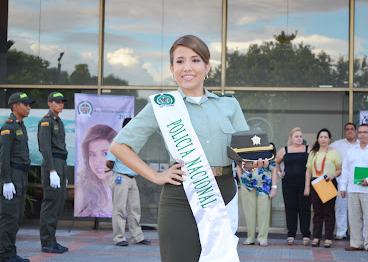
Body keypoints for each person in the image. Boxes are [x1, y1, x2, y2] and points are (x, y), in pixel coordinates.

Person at [109, 35, 267, 262]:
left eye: (195, 60)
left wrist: (252, 163)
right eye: (180, 61)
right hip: (180, 197)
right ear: (172, 69)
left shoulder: (228, 104)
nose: (187, 68)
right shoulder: (163, 106)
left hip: (223, 193)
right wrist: (155, 175)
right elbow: (119, 146)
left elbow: (242, 153)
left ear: (207, 66)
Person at [0, 92, 35, 262]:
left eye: (29, 105)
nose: (29, 108)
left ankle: (11, 252)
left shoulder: (21, 126)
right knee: (9, 217)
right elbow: (3, 156)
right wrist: (6, 181)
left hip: (21, 176)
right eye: (25, 105)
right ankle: (5, 255)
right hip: (12, 176)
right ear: (15, 107)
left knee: (17, 217)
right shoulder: (9, 127)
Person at [106, 118, 151, 247]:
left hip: (132, 179)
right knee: (119, 209)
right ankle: (119, 238)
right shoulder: (118, 142)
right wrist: (121, 167)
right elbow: (109, 162)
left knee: (135, 209)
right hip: (120, 178)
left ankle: (137, 237)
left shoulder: (133, 144)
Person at [38, 92, 69, 254]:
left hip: (61, 165)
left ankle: (52, 240)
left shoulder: (59, 122)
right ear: (49, 103)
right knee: (50, 204)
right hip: (53, 165)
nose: (60, 104)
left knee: (58, 205)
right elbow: (45, 148)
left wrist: (63, 172)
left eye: (62, 102)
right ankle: (46, 242)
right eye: (57, 102)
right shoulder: (46, 122)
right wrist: (52, 170)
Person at [340, 124, 368, 252]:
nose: (362, 135)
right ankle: (356, 243)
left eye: (365, 132)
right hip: (353, 189)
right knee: (354, 218)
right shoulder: (352, 150)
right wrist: (343, 187)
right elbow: (345, 170)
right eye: (360, 132)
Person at [304, 128, 342, 248]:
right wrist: (307, 186)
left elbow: (340, 169)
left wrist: (333, 175)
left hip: (328, 182)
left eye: (326, 137)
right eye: (321, 137)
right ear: (318, 139)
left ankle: (329, 238)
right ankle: (316, 237)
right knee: (317, 212)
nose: (323, 139)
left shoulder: (334, 152)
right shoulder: (313, 153)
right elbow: (309, 170)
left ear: (329, 139)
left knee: (329, 212)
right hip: (316, 183)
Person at [275, 127, 312, 246]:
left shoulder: (308, 149)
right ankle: (291, 234)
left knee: (305, 209)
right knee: (290, 208)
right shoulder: (284, 150)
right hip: (288, 184)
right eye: (296, 136)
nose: (299, 138)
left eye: (300, 136)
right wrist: (279, 172)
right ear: (291, 138)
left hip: (305, 184)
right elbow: (275, 162)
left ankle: (306, 234)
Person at [74, 124, 117, 217]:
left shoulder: (124, 183)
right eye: (92, 155)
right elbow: (78, 214)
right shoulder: (84, 187)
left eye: (105, 153)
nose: (98, 162)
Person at [237, 161, 277, 247]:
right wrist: (242, 179)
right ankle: (250, 238)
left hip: (264, 184)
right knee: (249, 212)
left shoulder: (267, 150)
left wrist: (274, 187)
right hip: (247, 185)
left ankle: (262, 238)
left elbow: (274, 169)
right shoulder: (245, 150)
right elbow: (238, 166)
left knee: (263, 212)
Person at [329, 123, 359, 240]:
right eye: (347, 129)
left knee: (357, 210)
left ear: (356, 131)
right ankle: (341, 232)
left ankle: (360, 235)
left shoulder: (361, 145)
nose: (349, 131)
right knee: (341, 208)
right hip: (342, 181)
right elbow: (324, 148)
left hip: (358, 182)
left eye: (352, 129)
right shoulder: (337, 144)